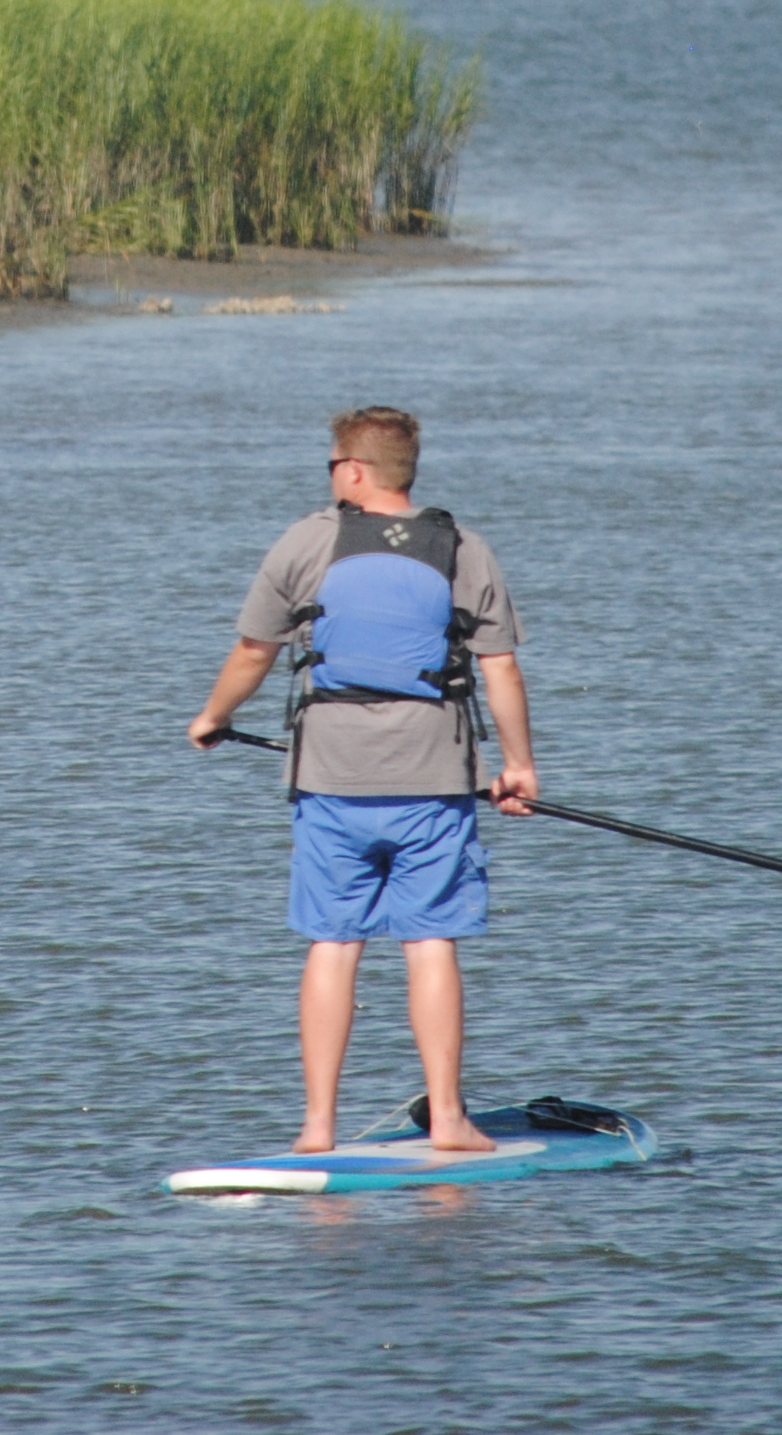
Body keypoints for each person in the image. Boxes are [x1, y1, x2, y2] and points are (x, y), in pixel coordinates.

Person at [188, 407, 536, 1155]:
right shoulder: (464, 549)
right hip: (435, 779)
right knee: (431, 941)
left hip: (331, 779)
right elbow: (501, 668)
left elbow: (253, 652)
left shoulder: (307, 540)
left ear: (352, 471)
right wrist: (519, 766)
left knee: (333, 944)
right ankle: (448, 1120)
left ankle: (318, 1128)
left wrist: (213, 716)